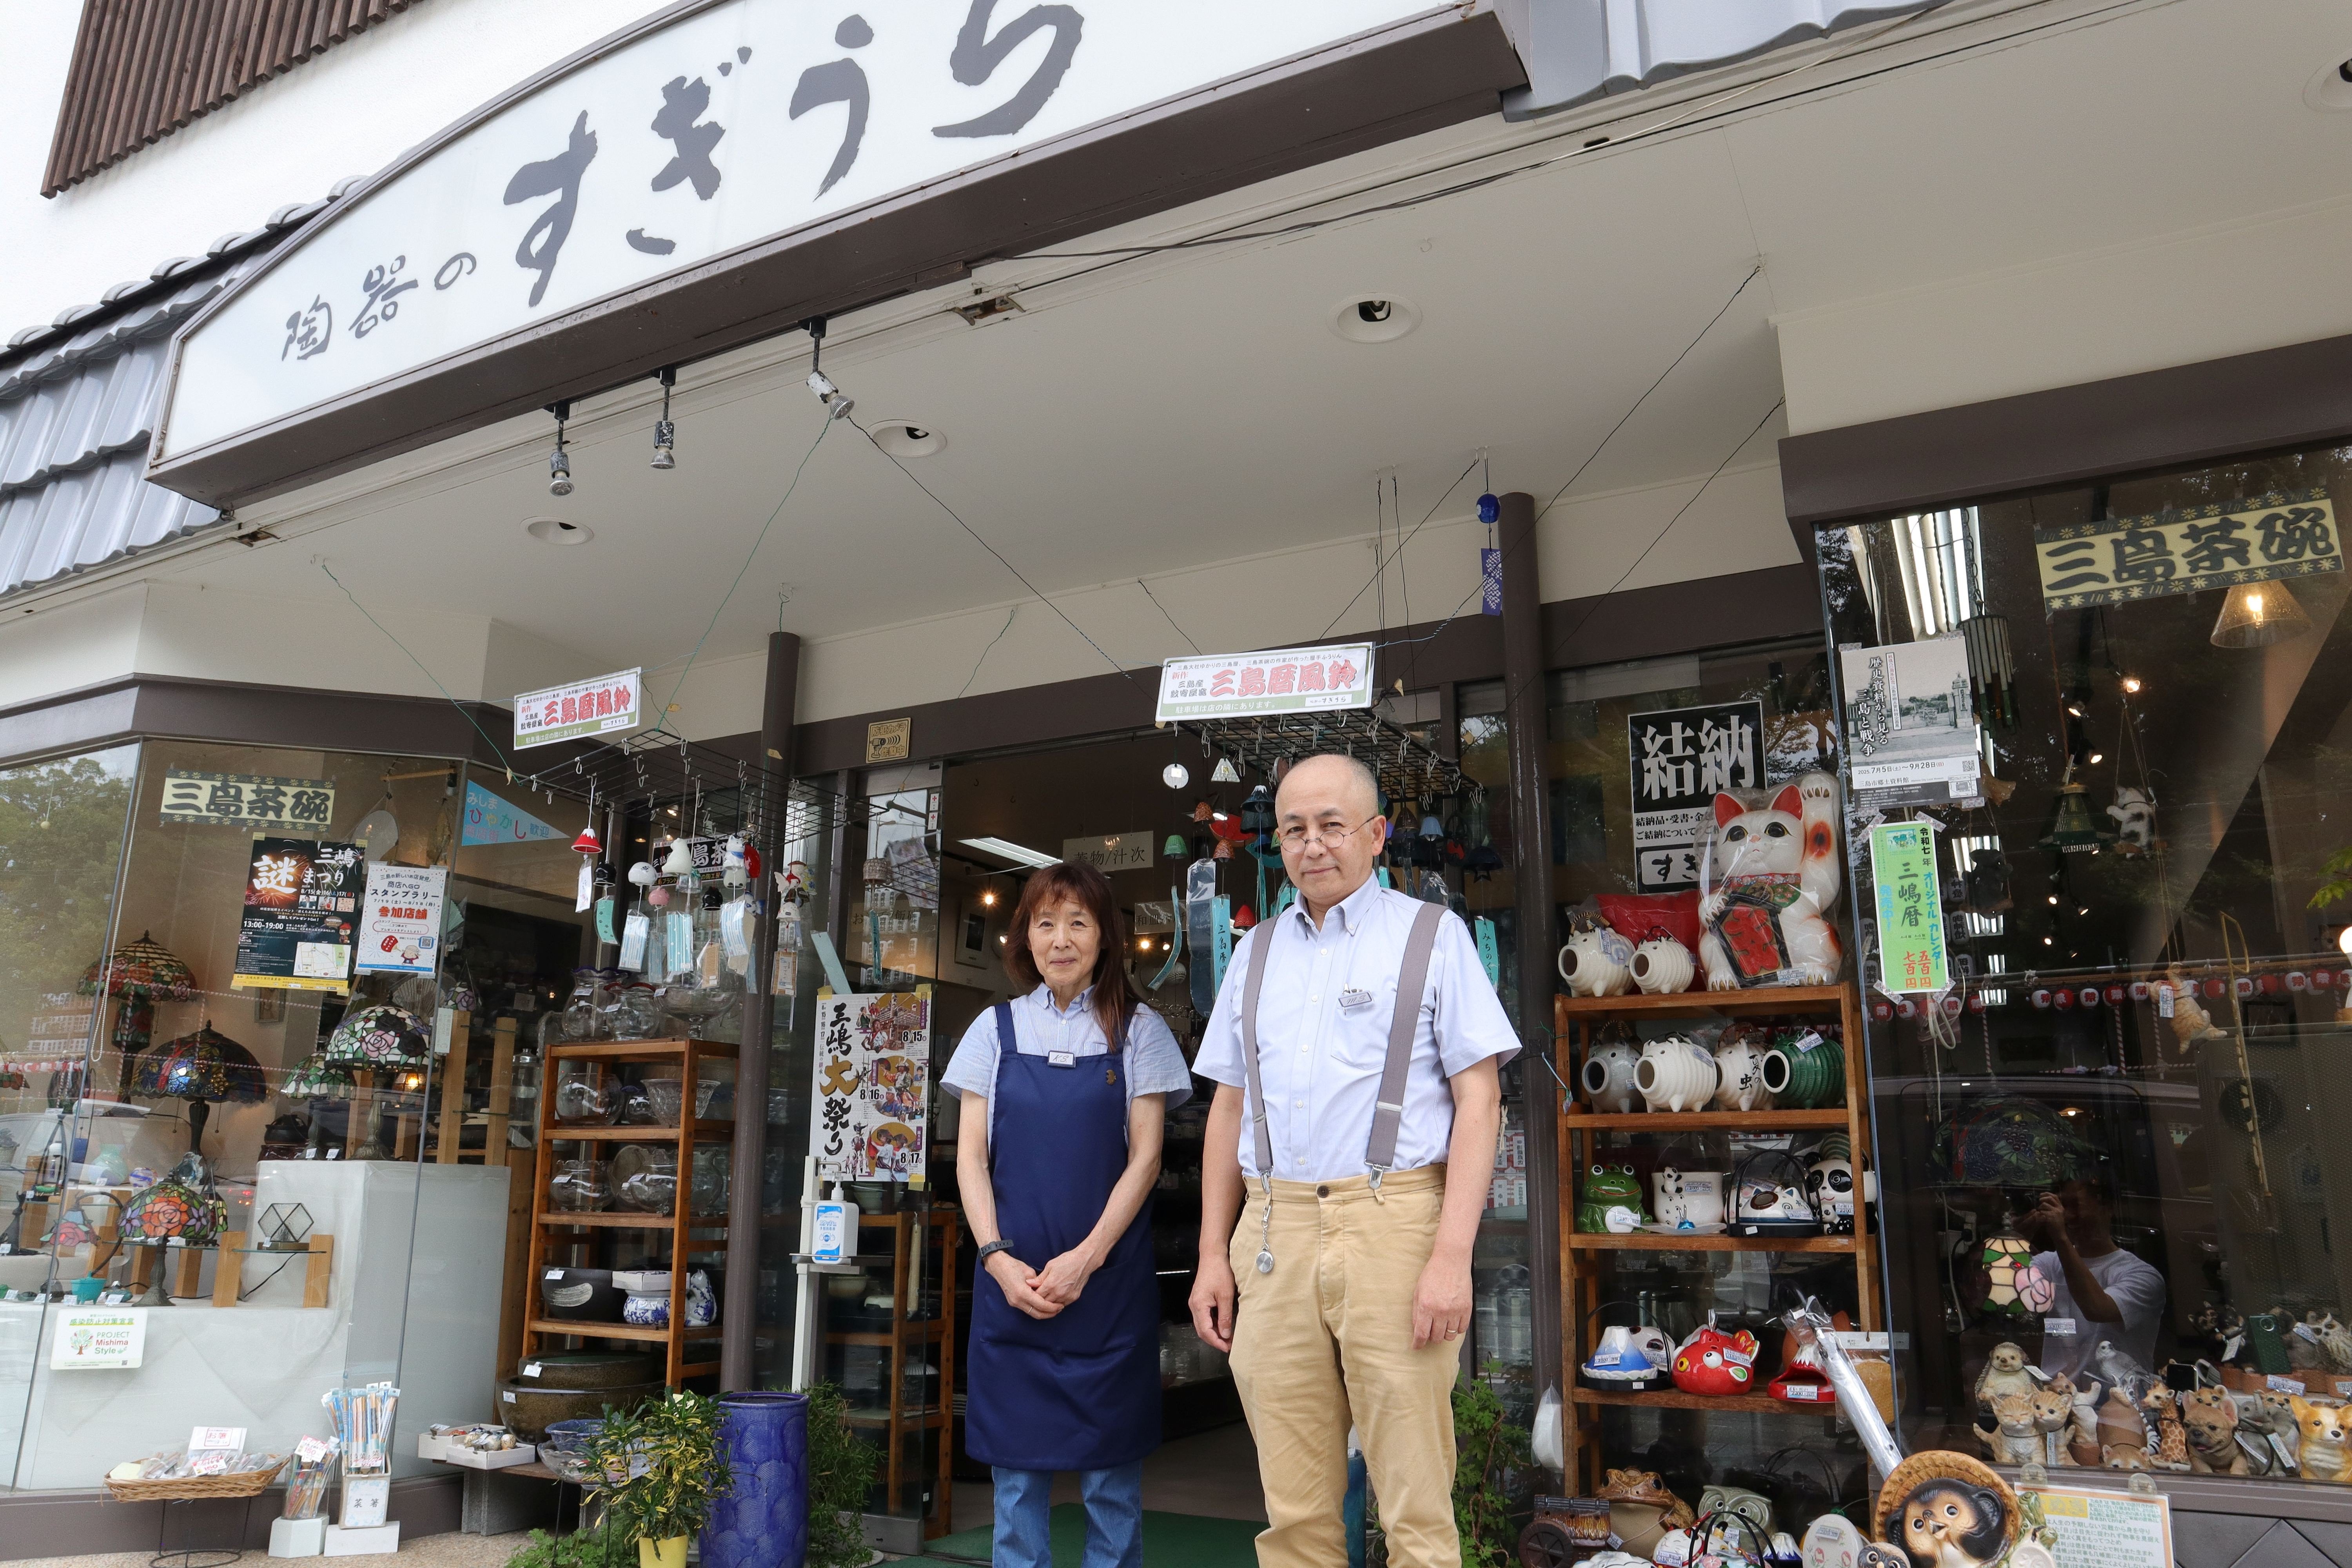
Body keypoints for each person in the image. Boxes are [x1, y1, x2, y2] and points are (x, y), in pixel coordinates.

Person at [1187, 753, 1517, 1568]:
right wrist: (1211, 1255)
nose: (1312, 844)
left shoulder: (1432, 935)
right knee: (1294, 1513)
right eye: (1294, 828)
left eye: (1332, 825)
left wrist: (1451, 1257)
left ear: (1376, 834)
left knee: (1415, 1508)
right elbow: (1228, 1106)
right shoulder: (1256, 951)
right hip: (1273, 1226)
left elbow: (1481, 1102)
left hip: (1394, 1220)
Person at [943, 860, 1194, 1568]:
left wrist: (1086, 1260)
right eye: (1045, 923)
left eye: (1078, 923)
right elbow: (971, 1160)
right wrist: (996, 1259)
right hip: (1012, 1288)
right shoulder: (993, 1030)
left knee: (1111, 1482)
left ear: (1104, 937)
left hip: (1105, 1290)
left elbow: (1146, 1160)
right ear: (1026, 937)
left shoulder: (1140, 1031)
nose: (1061, 939)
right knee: (1016, 1484)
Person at [2018, 1172, 2165, 1381]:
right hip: (2056, 1394)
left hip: (2120, 1397)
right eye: (2061, 1206)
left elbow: (2097, 1309)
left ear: (2108, 1207)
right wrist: (2016, 1240)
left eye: (2075, 1205)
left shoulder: (2143, 1276)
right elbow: (2003, 1289)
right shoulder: (2049, 1263)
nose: (2066, 1216)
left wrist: (2060, 1237)